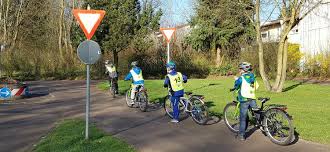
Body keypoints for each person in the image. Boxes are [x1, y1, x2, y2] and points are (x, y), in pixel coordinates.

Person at [231, 62, 259, 141]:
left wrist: (236, 80)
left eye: (240, 69)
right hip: (252, 98)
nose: (239, 70)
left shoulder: (241, 78)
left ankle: (242, 135)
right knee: (257, 114)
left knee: (243, 118)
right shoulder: (253, 77)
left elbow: (236, 86)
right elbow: (256, 87)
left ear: (243, 70)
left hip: (244, 99)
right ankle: (265, 125)